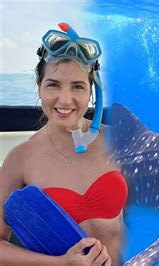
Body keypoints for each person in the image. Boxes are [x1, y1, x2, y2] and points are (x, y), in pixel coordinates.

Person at [0, 23, 127, 265]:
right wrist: (62, 263)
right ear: (39, 86)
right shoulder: (20, 158)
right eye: (54, 84)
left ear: (92, 92)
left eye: (77, 86)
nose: (65, 99)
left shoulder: (118, 140)